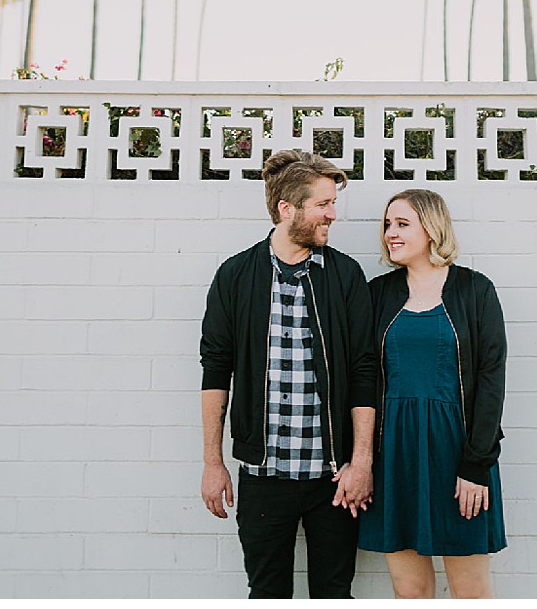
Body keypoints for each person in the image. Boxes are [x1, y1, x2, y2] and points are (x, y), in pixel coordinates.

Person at [199, 148, 376, 599]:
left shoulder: (345, 275)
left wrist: (362, 463)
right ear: (287, 208)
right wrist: (213, 463)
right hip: (263, 475)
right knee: (267, 593)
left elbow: (364, 371)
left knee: (334, 593)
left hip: (333, 478)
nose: (333, 215)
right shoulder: (236, 276)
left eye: (333, 204)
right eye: (323, 204)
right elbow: (216, 371)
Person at [358, 188, 507, 599]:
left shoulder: (475, 291)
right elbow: (363, 378)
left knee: (471, 593)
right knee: (410, 593)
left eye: (402, 224)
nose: (391, 233)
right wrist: (362, 460)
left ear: (432, 229)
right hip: (396, 458)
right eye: (388, 224)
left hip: (460, 457)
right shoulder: (378, 294)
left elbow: (492, 379)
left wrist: (476, 465)